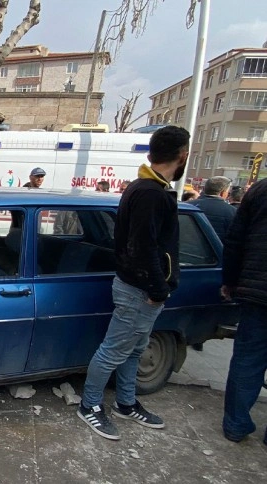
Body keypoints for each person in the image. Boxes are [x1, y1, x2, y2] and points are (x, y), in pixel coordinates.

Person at [77, 125, 190, 440]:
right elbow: (143, 247)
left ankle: (125, 403)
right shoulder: (150, 193)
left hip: (141, 289)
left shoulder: (146, 187)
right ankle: (89, 406)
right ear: (183, 155)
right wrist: (157, 289)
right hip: (140, 290)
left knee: (135, 348)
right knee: (114, 349)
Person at [220, 178, 267, 445]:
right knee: (247, 360)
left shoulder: (260, 190)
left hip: (256, 293)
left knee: (247, 361)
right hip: (256, 291)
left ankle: (236, 425)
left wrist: (230, 281)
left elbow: (235, 241)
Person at [187, 176, 236, 244]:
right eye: (228, 192)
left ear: (204, 189)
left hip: (185, 249)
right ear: (223, 193)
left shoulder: (186, 206)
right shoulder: (233, 212)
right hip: (216, 252)